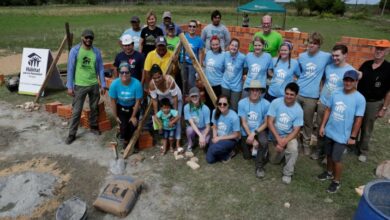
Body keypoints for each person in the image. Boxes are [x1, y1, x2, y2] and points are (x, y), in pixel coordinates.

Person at [317, 70, 365, 193]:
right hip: (330, 130)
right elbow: (328, 110)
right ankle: (328, 173)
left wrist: (353, 137)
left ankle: (336, 181)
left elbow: (359, 119)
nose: (348, 83)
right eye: (346, 80)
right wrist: (323, 126)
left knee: (336, 158)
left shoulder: (359, 98)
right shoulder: (336, 92)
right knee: (328, 154)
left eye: (351, 80)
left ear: (356, 82)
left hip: (342, 135)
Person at [311, 44, 355, 160]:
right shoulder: (329, 67)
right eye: (333, 55)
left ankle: (328, 154)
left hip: (337, 107)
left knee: (332, 130)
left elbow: (353, 90)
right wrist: (321, 96)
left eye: (338, 55)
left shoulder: (350, 71)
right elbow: (324, 81)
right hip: (324, 103)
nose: (335, 58)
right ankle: (319, 150)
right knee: (321, 127)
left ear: (345, 55)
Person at [65, 29, 106, 145]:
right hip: (80, 85)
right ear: (82, 38)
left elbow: (101, 69)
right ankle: (72, 134)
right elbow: (70, 68)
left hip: (93, 84)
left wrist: (102, 84)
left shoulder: (96, 52)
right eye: (86, 37)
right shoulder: (75, 51)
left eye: (91, 38)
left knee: (94, 107)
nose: (88, 40)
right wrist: (69, 86)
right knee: (76, 111)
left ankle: (93, 126)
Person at [296, 32, 332, 155]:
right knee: (295, 119)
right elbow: (299, 73)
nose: (311, 45)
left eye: (315, 43)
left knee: (308, 121)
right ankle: (295, 141)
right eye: (310, 42)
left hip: (312, 96)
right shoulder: (301, 56)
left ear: (319, 45)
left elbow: (338, 62)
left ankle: (306, 143)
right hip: (298, 93)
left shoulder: (326, 57)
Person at [357, 39, 390, 162]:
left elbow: (389, 92)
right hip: (360, 101)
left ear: (387, 51)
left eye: (382, 49)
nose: (379, 51)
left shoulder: (388, 68)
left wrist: (384, 108)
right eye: (377, 48)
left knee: (367, 127)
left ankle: (363, 151)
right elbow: (357, 79)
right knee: (355, 123)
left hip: (373, 102)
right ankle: (351, 145)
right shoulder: (366, 64)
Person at [267, 82, 303, 184]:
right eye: (287, 93)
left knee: (293, 149)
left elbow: (296, 130)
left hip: (289, 136)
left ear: (296, 95)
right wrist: (278, 140)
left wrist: (284, 141)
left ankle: (287, 173)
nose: (288, 96)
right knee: (273, 161)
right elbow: (269, 122)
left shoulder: (299, 110)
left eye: (292, 94)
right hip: (274, 136)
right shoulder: (275, 102)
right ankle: (282, 152)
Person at [238, 80, 270, 178]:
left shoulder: (266, 104)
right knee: (247, 156)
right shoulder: (242, 103)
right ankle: (253, 148)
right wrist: (251, 136)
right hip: (246, 131)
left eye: (257, 90)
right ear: (249, 91)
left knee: (264, 142)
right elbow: (243, 122)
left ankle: (259, 167)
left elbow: (266, 123)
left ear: (260, 92)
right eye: (253, 90)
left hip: (259, 130)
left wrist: (254, 134)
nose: (255, 93)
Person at [108, 62, 143, 151]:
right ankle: (125, 139)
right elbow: (112, 101)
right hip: (121, 107)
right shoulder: (114, 84)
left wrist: (133, 116)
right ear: (119, 73)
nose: (124, 74)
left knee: (133, 125)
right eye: (122, 72)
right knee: (123, 127)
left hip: (133, 108)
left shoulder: (136, 83)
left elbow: (138, 101)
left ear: (130, 73)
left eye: (126, 72)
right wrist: (115, 116)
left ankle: (132, 142)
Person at [149, 64, 183, 149]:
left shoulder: (169, 80)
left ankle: (178, 142)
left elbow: (174, 97)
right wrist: (157, 114)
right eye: (154, 78)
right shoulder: (152, 84)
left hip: (176, 98)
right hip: (164, 100)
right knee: (164, 119)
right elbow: (154, 100)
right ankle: (167, 140)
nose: (157, 80)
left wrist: (174, 113)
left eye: (159, 77)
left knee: (176, 120)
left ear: (162, 74)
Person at [207, 95, 240, 164]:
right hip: (218, 136)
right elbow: (214, 126)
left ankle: (227, 155)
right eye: (220, 104)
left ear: (228, 105)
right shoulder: (215, 112)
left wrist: (219, 138)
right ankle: (223, 151)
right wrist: (215, 137)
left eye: (224, 104)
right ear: (217, 104)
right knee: (210, 160)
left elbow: (236, 135)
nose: (222, 106)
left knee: (213, 149)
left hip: (230, 139)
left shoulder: (234, 117)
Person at [221, 38, 246, 112]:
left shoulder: (242, 57)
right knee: (224, 104)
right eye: (232, 45)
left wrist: (245, 75)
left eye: (236, 46)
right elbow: (222, 67)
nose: (233, 47)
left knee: (234, 107)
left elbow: (246, 69)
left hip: (236, 86)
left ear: (238, 48)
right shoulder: (225, 54)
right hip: (225, 84)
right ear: (229, 46)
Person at [181, 20, 205, 95]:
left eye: (194, 26)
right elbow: (179, 49)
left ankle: (192, 96)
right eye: (190, 26)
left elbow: (201, 53)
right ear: (188, 27)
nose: (192, 28)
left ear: (196, 28)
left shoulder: (199, 40)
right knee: (184, 81)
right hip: (183, 63)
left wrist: (200, 65)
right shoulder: (184, 37)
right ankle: (184, 96)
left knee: (191, 82)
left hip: (192, 64)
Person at [184, 87, 211, 152]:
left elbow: (208, 126)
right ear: (190, 97)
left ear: (199, 96)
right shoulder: (187, 107)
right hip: (193, 127)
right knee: (189, 130)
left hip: (203, 128)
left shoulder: (205, 109)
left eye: (196, 96)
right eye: (192, 96)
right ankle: (190, 143)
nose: (194, 98)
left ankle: (202, 140)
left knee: (205, 142)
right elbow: (191, 123)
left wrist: (203, 135)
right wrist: (200, 136)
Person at [203, 35, 225, 110]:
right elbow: (205, 66)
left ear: (220, 44)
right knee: (208, 104)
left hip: (218, 85)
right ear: (210, 45)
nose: (215, 46)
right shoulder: (208, 53)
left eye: (216, 44)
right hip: (208, 84)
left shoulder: (224, 55)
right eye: (213, 45)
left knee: (217, 105)